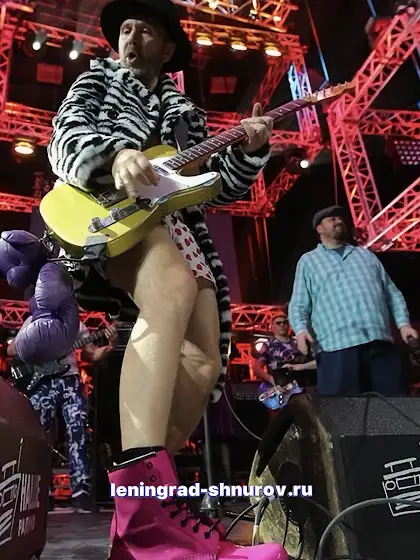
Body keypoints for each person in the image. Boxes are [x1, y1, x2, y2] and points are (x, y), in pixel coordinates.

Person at [46, 0, 287, 558]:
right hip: (111, 213)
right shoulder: (97, 81)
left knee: (203, 363)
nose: (130, 38)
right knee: (172, 290)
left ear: (168, 47)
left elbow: (215, 186)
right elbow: (65, 139)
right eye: (125, 30)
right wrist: (116, 157)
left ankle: (141, 521)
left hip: (178, 227)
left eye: (145, 31)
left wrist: (251, 152)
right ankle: (149, 523)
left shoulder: (185, 113)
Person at [288, 205, 418, 396]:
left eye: (340, 218)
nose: (338, 221)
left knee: (393, 407)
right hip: (336, 348)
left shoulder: (366, 256)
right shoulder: (308, 261)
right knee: (345, 410)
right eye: (332, 219)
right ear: (319, 229)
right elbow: (298, 304)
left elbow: (392, 294)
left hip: (379, 343)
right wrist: (300, 331)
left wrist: (404, 325)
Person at [7, 320, 117, 512]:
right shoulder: (35, 320)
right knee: (40, 437)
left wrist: (110, 346)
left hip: (70, 381)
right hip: (42, 383)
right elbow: (11, 350)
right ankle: (42, 491)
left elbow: (91, 354)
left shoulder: (76, 324)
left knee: (79, 432)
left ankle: (81, 493)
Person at [252, 312, 316, 418]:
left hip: (300, 387)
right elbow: (256, 368)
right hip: (278, 388)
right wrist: (271, 379)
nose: (282, 325)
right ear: (272, 326)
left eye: (285, 322)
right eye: (278, 323)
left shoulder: (298, 342)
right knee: (279, 420)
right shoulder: (268, 345)